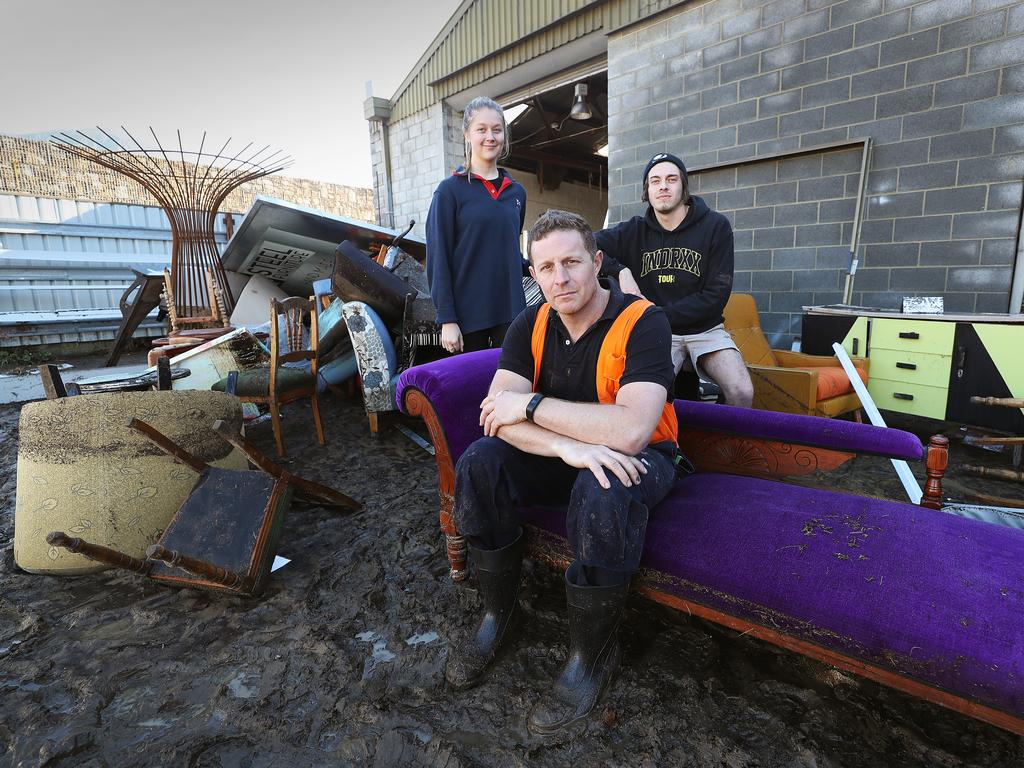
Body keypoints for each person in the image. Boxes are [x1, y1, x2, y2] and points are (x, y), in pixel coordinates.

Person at [446, 209, 680, 734]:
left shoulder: (643, 321)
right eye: (546, 266)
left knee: (603, 483)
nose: (561, 277)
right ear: (534, 273)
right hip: (563, 455)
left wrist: (528, 407)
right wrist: (563, 445)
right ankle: (498, 614)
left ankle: (591, 655)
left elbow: (631, 431)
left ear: (596, 262)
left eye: (572, 261)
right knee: (480, 462)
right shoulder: (528, 324)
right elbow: (493, 418)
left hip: (646, 456)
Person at [597, 152, 754, 407]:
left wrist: (657, 314)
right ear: (646, 190)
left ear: (684, 187)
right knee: (644, 399)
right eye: (655, 181)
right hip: (657, 333)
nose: (663, 186)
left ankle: (725, 446)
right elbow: (583, 244)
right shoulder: (633, 231)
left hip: (705, 329)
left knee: (741, 391)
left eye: (671, 179)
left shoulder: (715, 226)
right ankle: (663, 446)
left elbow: (716, 297)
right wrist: (619, 271)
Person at [426, 96, 527, 354]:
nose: (490, 136)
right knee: (471, 392)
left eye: (497, 129)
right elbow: (438, 259)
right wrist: (447, 319)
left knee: (510, 390)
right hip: (468, 319)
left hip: (511, 314)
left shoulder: (516, 193)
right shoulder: (449, 192)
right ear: (467, 134)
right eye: (481, 129)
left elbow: (510, 252)